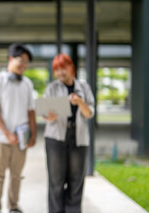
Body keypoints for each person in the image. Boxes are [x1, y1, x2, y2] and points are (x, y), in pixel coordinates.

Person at [0, 43, 37, 213]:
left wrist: (33, 135)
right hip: (0, 138)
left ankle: (13, 206)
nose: (24, 65)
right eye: (21, 60)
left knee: (16, 175)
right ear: (10, 59)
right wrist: (7, 134)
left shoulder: (27, 83)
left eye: (27, 62)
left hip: (21, 138)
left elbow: (31, 111)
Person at [43, 53, 95, 213]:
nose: (60, 73)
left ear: (71, 67)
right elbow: (45, 113)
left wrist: (80, 102)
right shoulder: (52, 88)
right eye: (57, 70)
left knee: (76, 180)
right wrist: (49, 115)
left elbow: (89, 113)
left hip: (79, 138)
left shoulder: (84, 87)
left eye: (63, 68)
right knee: (56, 181)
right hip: (55, 138)